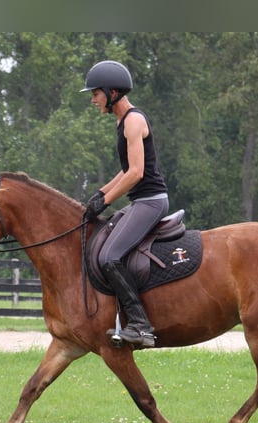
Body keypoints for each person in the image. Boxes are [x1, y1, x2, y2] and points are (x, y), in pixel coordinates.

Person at [81, 60, 169, 348]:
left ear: (112, 91)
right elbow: (125, 169)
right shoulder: (123, 121)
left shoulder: (133, 121)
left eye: (96, 94)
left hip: (151, 202)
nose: (93, 100)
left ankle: (141, 326)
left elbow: (137, 172)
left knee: (110, 257)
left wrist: (106, 201)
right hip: (140, 201)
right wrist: (100, 192)